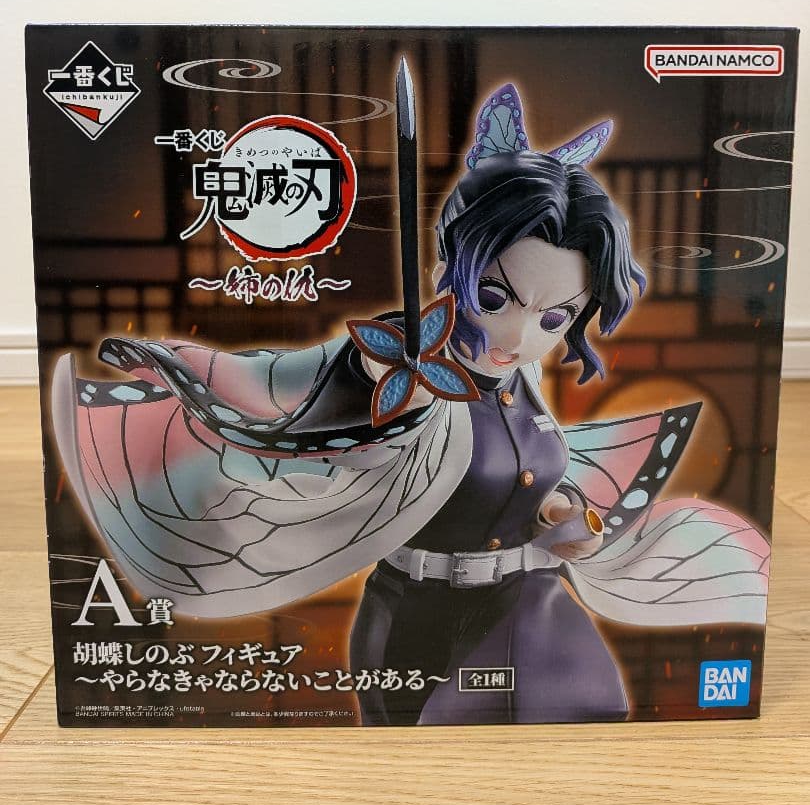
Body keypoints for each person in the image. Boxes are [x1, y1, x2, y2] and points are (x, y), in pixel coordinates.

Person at [51, 82, 769, 726]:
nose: (519, 337)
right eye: (495, 297)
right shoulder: (402, 354)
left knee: (574, 703)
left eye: (555, 318)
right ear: (448, 264)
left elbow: (528, 477)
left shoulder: (521, 377)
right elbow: (300, 388)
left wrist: (561, 514)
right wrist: (377, 376)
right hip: (407, 617)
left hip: (524, 609)